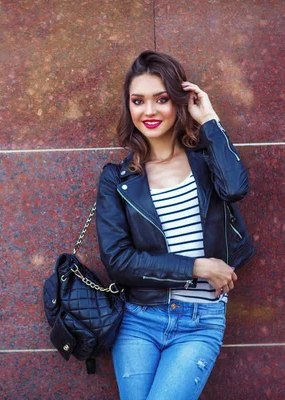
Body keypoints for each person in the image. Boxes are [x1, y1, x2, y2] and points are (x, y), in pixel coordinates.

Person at [95, 50, 256, 399]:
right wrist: (198, 267)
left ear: (178, 102)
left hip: (200, 323)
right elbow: (119, 261)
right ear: (129, 107)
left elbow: (235, 188)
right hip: (139, 320)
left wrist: (209, 118)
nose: (149, 111)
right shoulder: (117, 180)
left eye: (161, 99)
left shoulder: (205, 161)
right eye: (138, 101)